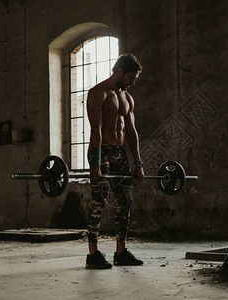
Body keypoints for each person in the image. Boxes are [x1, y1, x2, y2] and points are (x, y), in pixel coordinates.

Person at [85, 53, 145, 269]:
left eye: (134, 79)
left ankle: (120, 251)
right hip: (102, 151)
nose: (131, 82)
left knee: (125, 201)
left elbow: (131, 132)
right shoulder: (98, 93)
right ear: (118, 71)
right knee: (99, 202)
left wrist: (137, 162)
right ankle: (93, 254)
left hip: (120, 154)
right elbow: (96, 131)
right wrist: (95, 163)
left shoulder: (127, 98)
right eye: (130, 77)